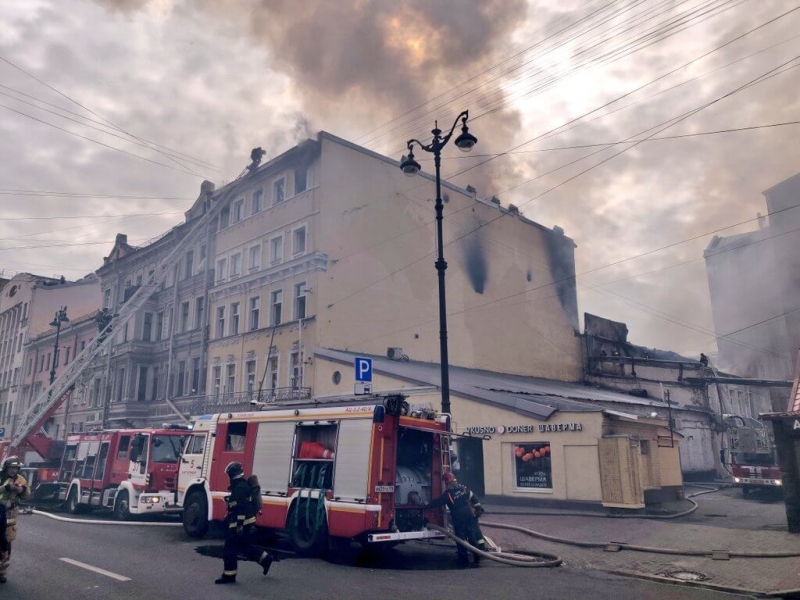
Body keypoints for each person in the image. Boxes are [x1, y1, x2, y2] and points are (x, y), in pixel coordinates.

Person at [215, 461, 273, 585]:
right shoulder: (240, 485)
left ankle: (229, 576)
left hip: (240, 523)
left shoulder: (240, 487)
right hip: (241, 522)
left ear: (232, 475)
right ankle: (265, 559)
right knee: (243, 546)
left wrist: (239, 527)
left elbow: (242, 508)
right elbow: (236, 505)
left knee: (229, 548)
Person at [424, 472, 486, 566]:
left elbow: (438, 502)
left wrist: (426, 505)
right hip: (469, 516)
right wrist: (478, 508)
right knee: (471, 535)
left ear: (447, 482)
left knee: (460, 539)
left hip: (459, 519)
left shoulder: (448, 494)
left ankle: (463, 560)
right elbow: (473, 497)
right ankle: (477, 557)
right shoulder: (463, 488)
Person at [0, 456, 29, 584]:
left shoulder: (20, 479)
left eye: (16, 468)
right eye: (12, 467)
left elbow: (27, 493)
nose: (14, 470)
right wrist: (5, 488)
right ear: (6, 467)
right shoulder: (1, 477)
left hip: (10, 514)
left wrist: (21, 489)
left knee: (7, 541)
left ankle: (1, 571)